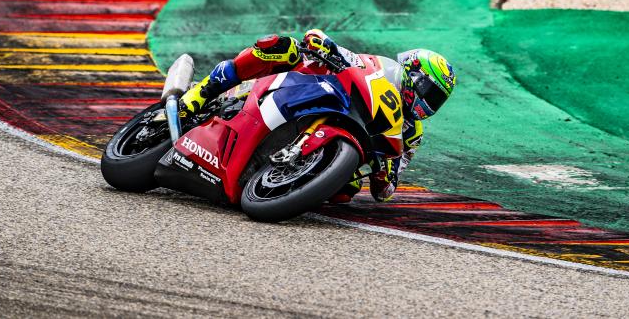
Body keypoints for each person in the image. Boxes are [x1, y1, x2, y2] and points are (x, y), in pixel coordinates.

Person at [180, 29, 456, 203]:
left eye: (437, 100)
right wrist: (324, 45)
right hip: (315, 93)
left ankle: (284, 184)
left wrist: (386, 173)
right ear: (414, 75)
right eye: (430, 92)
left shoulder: (412, 135)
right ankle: (201, 94)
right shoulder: (377, 68)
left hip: (345, 143)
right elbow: (337, 50)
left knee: (347, 191)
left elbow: (385, 191)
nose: (429, 103)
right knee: (282, 47)